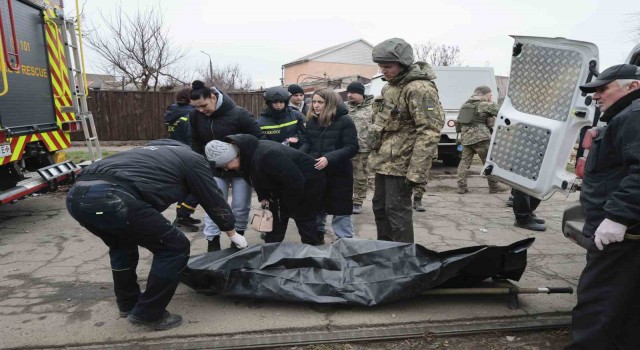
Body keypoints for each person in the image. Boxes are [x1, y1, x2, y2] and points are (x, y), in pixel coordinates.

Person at [65, 140, 246, 331]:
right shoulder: (193, 160)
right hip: (113, 198)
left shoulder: (152, 153)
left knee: (121, 246)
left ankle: (128, 304)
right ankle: (148, 314)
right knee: (174, 247)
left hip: (77, 197)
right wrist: (232, 232)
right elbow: (212, 199)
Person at [567, 64, 640, 349]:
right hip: (618, 228)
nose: (596, 96)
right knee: (624, 299)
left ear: (632, 87)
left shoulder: (634, 116)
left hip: (620, 232)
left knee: (600, 298)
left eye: (603, 89)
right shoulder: (625, 115)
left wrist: (617, 217)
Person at [368, 38, 444, 243]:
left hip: (402, 164)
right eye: (380, 66)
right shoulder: (390, 87)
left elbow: (429, 130)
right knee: (380, 207)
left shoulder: (419, 88)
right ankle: (384, 253)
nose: (383, 70)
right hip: (385, 162)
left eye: (387, 66)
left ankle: (403, 260)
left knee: (397, 213)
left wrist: (417, 171)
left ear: (403, 63)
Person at [206, 135, 327, 245]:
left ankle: (311, 251)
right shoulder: (246, 157)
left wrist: (287, 206)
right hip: (284, 185)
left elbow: (295, 181)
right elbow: (254, 178)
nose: (226, 170)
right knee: (276, 219)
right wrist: (263, 196)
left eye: (225, 165)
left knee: (303, 218)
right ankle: (271, 250)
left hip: (308, 183)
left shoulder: (267, 155)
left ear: (233, 157)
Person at [189, 80, 264, 252]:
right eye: (196, 107)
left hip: (240, 169)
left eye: (203, 105)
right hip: (214, 169)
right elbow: (195, 142)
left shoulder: (239, 114)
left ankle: (237, 242)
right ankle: (212, 241)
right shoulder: (195, 116)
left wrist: (242, 159)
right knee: (213, 204)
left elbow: (258, 139)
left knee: (240, 205)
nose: (200, 110)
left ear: (213, 97)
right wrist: (205, 162)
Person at [300, 88, 358, 241]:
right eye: (314, 102)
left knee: (341, 208)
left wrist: (329, 158)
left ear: (330, 103)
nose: (316, 105)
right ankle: (317, 236)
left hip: (339, 172)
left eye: (320, 102)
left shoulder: (345, 121)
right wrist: (300, 157)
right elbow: (308, 142)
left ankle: (344, 241)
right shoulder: (311, 121)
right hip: (317, 170)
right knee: (316, 205)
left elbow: (351, 147)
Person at [163, 87, 201, 232]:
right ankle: (183, 217)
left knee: (185, 186)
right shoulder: (190, 114)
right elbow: (191, 137)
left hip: (175, 152)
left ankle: (182, 215)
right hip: (187, 153)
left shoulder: (172, 112)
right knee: (197, 187)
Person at [455, 85, 504, 194]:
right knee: (488, 162)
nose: (491, 97)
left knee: (464, 163)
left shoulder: (465, 105)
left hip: (466, 138)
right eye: (490, 95)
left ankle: (461, 187)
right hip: (481, 138)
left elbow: (458, 122)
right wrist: (491, 102)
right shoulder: (484, 104)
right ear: (486, 94)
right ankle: (493, 187)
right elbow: (501, 112)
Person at [345, 81, 373, 215]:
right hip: (346, 148)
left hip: (365, 148)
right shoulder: (344, 108)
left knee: (361, 177)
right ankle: (346, 199)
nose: (349, 95)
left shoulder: (372, 108)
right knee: (346, 176)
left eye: (353, 93)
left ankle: (358, 201)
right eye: (348, 92)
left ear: (361, 93)